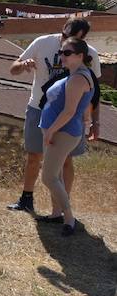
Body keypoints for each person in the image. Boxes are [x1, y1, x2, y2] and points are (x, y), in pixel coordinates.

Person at [6, 18, 102, 213]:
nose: (65, 42)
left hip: (70, 116)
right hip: (38, 108)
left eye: (73, 40)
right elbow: (13, 68)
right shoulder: (42, 42)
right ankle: (26, 199)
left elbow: (95, 92)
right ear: (62, 30)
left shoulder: (90, 54)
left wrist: (95, 121)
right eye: (65, 36)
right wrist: (23, 64)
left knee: (66, 160)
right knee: (34, 155)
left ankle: (61, 209)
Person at [37, 38, 95, 236]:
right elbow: (84, 106)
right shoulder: (74, 74)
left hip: (63, 132)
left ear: (80, 56)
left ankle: (69, 217)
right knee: (57, 175)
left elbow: (69, 111)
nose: (62, 56)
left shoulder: (79, 78)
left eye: (67, 53)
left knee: (48, 177)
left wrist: (51, 130)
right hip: (58, 130)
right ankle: (56, 213)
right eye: (62, 52)